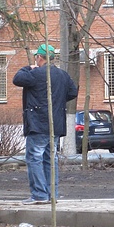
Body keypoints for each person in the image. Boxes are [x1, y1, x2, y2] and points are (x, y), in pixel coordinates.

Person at [13, 44, 78, 205]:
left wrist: (28, 67)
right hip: (55, 124)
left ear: (39, 58)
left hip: (38, 124)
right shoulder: (62, 75)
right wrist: (56, 101)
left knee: (34, 158)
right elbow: (72, 92)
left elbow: (17, 79)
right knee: (50, 159)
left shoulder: (36, 74)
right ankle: (52, 194)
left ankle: (39, 195)